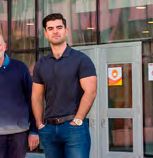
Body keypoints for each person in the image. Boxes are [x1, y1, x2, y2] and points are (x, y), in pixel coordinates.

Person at [32, 13, 97, 158]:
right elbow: (36, 95)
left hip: (73, 127)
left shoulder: (81, 60)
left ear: (66, 31)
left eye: (59, 27)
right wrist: (39, 124)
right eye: (51, 28)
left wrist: (78, 119)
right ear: (46, 33)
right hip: (48, 128)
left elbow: (90, 91)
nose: (55, 31)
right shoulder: (41, 64)